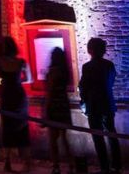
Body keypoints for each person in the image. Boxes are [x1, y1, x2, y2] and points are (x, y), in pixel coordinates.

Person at [78, 37, 119, 174]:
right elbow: (112, 81)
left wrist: (83, 100)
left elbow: (84, 86)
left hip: (94, 105)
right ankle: (117, 166)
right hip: (108, 103)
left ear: (90, 50)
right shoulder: (109, 65)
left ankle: (104, 167)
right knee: (112, 134)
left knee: (98, 137)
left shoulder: (87, 67)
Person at [0, 35, 31, 172]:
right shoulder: (21, 62)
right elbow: (28, 79)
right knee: (22, 128)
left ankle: (7, 162)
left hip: (6, 95)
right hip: (19, 95)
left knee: (7, 128)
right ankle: (27, 162)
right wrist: (17, 82)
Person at [44, 46, 74, 174]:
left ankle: (56, 166)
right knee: (64, 136)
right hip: (63, 103)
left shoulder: (52, 72)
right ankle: (71, 165)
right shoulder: (65, 71)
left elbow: (49, 92)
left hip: (54, 105)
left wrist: (46, 109)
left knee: (53, 139)